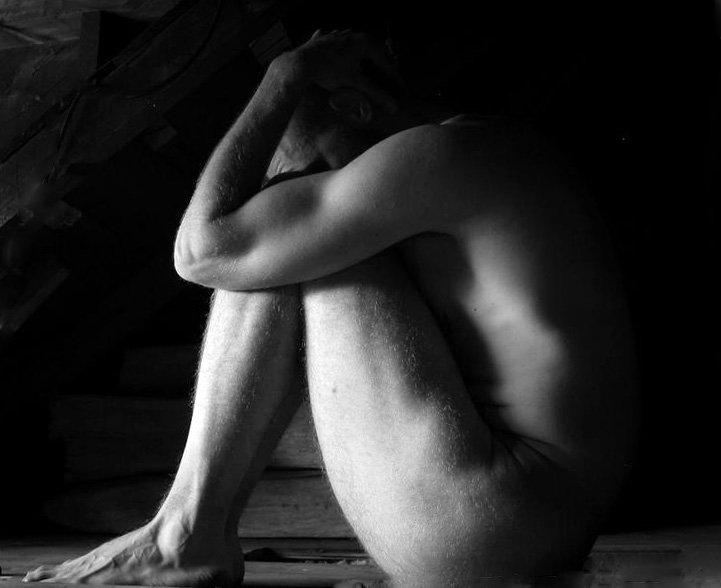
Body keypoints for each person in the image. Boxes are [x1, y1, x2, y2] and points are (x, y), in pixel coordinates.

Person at [24, 29, 639, 588]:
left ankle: (183, 535)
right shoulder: (492, 150)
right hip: (519, 522)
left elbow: (201, 251)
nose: (310, 172)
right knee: (277, 235)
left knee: (269, 233)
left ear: (354, 108)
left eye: (308, 156)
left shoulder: (442, 155)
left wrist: (284, 75)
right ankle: (185, 532)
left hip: (490, 521)